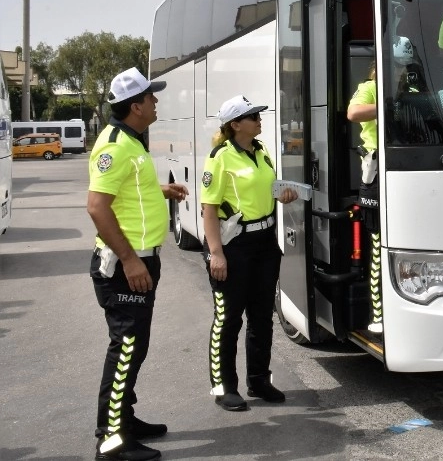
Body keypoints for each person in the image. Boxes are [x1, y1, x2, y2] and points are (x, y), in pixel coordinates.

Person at [89, 67, 189, 461]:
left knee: (136, 347)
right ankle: (110, 440)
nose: (156, 101)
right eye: (151, 96)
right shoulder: (115, 146)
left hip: (142, 263)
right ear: (136, 106)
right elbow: (97, 206)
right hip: (124, 267)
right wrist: (130, 260)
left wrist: (160, 188)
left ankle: (123, 420)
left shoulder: (132, 141)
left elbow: (127, 188)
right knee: (126, 349)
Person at [200, 95, 298, 412]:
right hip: (233, 246)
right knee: (228, 321)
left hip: (264, 244)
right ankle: (223, 387)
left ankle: (258, 380)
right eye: (253, 116)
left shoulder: (261, 151)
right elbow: (209, 210)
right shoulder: (219, 157)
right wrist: (216, 253)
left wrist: (282, 195)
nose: (259, 119)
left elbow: (265, 189)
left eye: (258, 115)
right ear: (235, 124)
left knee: (261, 318)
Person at [346, 38, 419, 335]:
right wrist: (387, 103)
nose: (402, 72)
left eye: (405, 67)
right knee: (377, 243)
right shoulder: (369, 87)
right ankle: (379, 314)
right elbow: (353, 114)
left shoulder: (413, 87)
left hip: (409, 167)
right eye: (397, 67)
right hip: (376, 171)